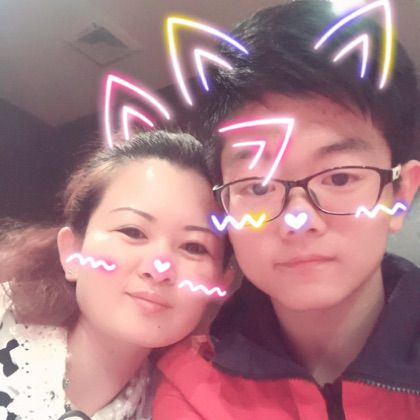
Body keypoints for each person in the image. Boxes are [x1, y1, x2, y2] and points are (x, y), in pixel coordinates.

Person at [153, 1, 420, 419]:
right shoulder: (192, 387)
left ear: (400, 195)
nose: (299, 220)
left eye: (339, 178)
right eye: (258, 186)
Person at [0, 130, 231, 419]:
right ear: (72, 252)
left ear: (220, 283)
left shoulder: (180, 408)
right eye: (132, 231)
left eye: (194, 247)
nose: (158, 269)